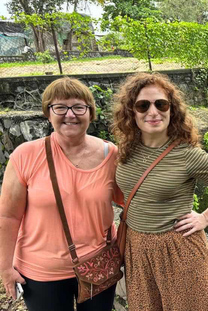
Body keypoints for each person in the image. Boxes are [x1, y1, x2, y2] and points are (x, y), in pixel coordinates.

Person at [113, 72, 208, 311]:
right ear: (131, 111)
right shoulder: (126, 150)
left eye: (161, 104)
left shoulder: (186, 154)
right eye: (143, 105)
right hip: (136, 248)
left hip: (178, 250)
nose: (153, 112)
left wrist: (204, 218)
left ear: (171, 109)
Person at [0, 77, 124, 311]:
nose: (70, 114)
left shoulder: (111, 155)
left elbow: (133, 202)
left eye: (79, 107)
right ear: (49, 113)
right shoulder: (26, 155)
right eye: (60, 107)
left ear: (90, 112)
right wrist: (5, 267)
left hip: (99, 264)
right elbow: (8, 217)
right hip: (41, 271)